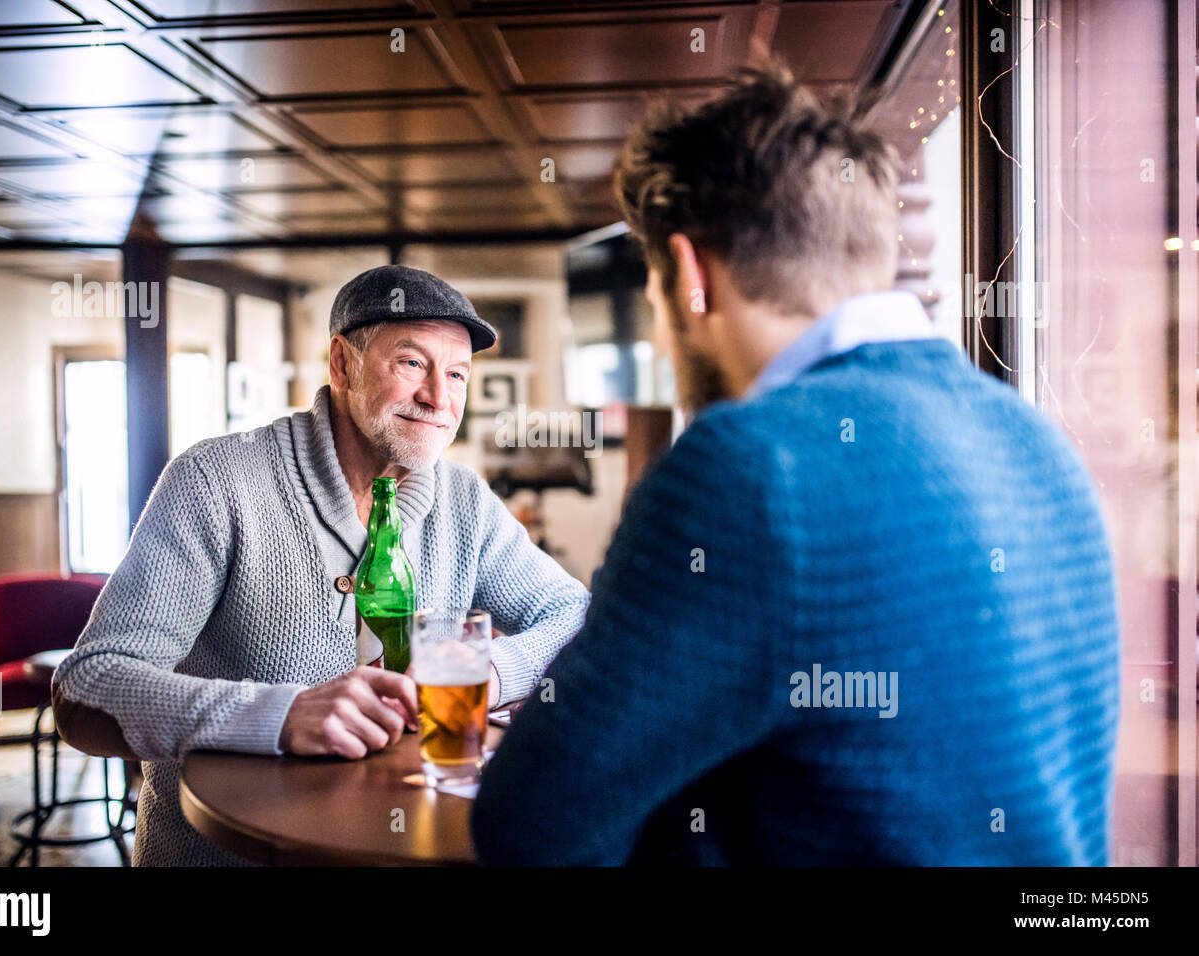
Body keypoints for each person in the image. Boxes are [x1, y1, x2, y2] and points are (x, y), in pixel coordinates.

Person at [470, 61, 1121, 865]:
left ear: (690, 275)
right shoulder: (1038, 442)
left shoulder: (745, 470)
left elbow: (530, 823)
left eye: (654, 293)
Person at [53, 264, 590, 866]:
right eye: (412, 363)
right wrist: (278, 716)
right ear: (342, 364)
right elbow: (87, 692)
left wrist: (494, 673)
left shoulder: (464, 500)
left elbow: (575, 613)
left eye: (457, 373)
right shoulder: (216, 482)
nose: (439, 398)